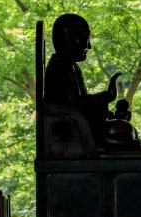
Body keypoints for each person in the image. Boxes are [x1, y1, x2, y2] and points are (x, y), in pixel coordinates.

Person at [44, 13, 124, 146]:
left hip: (80, 125)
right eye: (84, 39)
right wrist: (105, 97)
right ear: (68, 39)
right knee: (121, 131)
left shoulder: (71, 66)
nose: (89, 46)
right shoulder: (60, 67)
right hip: (73, 131)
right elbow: (74, 106)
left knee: (122, 127)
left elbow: (81, 103)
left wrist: (109, 114)